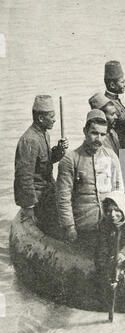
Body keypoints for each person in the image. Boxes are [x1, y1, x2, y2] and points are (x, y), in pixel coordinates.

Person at [56, 109, 124, 244]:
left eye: (102, 134)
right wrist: (69, 227)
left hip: (108, 224)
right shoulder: (70, 160)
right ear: (85, 132)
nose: (99, 139)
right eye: (94, 133)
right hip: (83, 227)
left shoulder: (111, 157)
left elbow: (119, 191)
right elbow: (63, 198)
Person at [14, 95, 68, 236]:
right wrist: (28, 206)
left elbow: (45, 162)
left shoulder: (44, 134)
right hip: (38, 197)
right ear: (40, 119)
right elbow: (23, 177)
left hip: (48, 190)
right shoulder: (29, 140)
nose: (55, 119)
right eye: (51, 116)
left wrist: (59, 150)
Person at [95, 191, 125, 276]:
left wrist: (124, 254)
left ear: (123, 208)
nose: (112, 214)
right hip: (113, 257)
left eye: (117, 210)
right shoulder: (105, 223)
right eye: (109, 211)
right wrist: (102, 265)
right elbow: (103, 245)